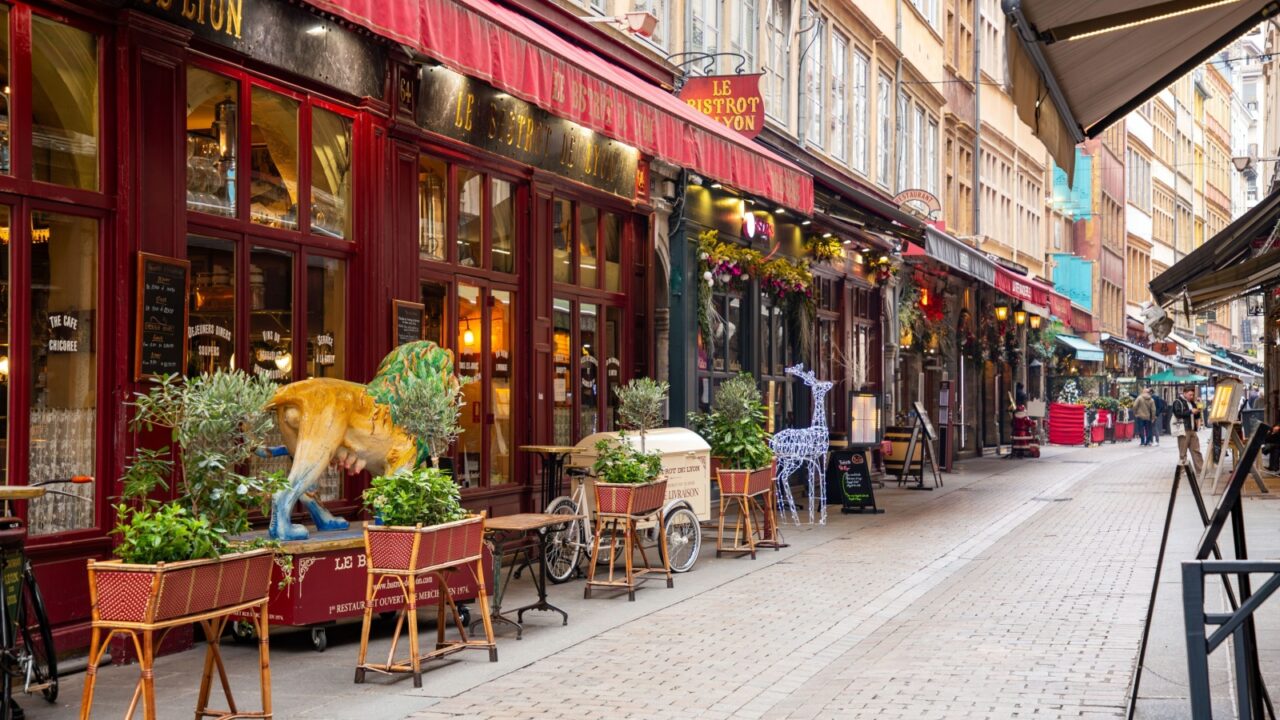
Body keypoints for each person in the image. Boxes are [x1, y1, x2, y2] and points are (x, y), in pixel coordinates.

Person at [1172, 385, 1205, 475]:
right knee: (1183, 452)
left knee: (1196, 450)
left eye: (1192, 395)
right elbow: (1178, 414)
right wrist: (1190, 411)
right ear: (1185, 393)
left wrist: (1198, 408)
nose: (1191, 396)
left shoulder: (1192, 402)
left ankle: (1200, 470)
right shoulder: (1178, 402)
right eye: (1190, 395)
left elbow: (1197, 416)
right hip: (1183, 429)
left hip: (1192, 429)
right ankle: (1182, 471)